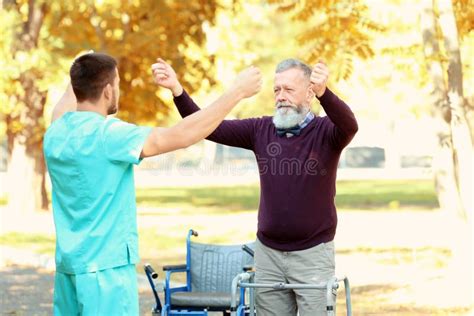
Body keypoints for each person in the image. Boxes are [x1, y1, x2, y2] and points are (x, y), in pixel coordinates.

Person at [43, 52, 262, 315]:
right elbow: (180, 135)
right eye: (118, 84)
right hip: (106, 272)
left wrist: (79, 67)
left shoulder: (56, 131)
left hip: (68, 268)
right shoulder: (109, 135)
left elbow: (64, 104)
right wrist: (236, 92)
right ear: (108, 92)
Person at [153, 58, 358, 315]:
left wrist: (325, 94)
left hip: (313, 256)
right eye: (277, 90)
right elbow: (207, 127)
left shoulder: (326, 132)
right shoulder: (261, 129)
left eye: (289, 90)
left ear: (309, 93)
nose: (281, 96)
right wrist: (177, 91)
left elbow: (350, 125)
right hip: (268, 255)